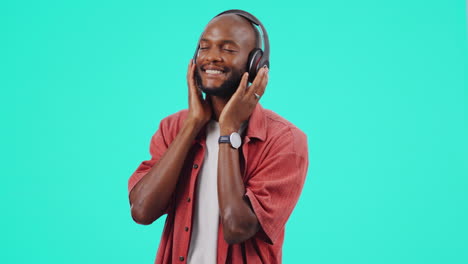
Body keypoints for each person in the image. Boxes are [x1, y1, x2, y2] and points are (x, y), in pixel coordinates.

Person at [128, 9, 309, 264]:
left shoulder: (285, 140)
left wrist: (229, 132)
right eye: (204, 47)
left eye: (228, 49)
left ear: (256, 64)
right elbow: (142, 211)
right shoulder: (173, 127)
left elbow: (237, 227)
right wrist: (192, 124)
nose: (212, 57)